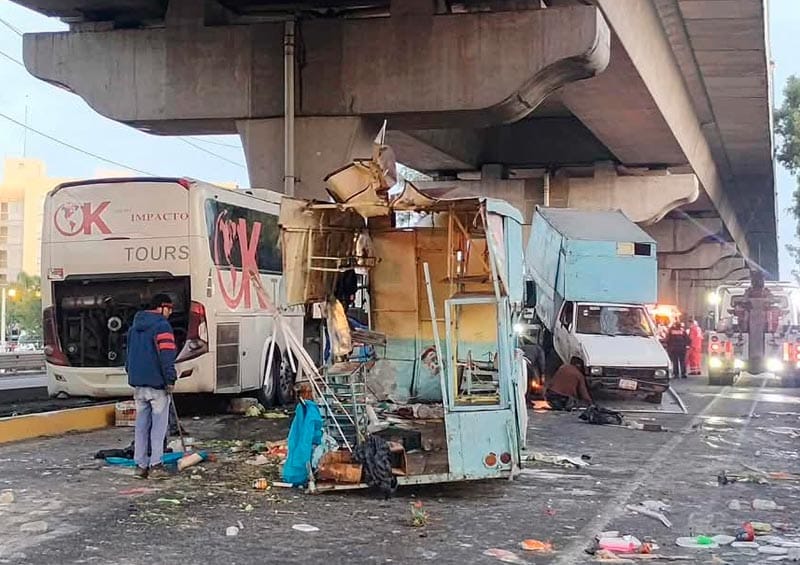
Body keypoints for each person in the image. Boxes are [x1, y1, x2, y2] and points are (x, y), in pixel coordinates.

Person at [126, 294, 177, 479]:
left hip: (138, 384)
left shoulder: (134, 328)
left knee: (141, 425)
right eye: (169, 309)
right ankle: (156, 464)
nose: (170, 313)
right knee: (158, 426)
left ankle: (139, 465)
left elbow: (128, 356)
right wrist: (170, 379)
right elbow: (167, 356)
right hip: (157, 385)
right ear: (161, 307)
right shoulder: (162, 326)